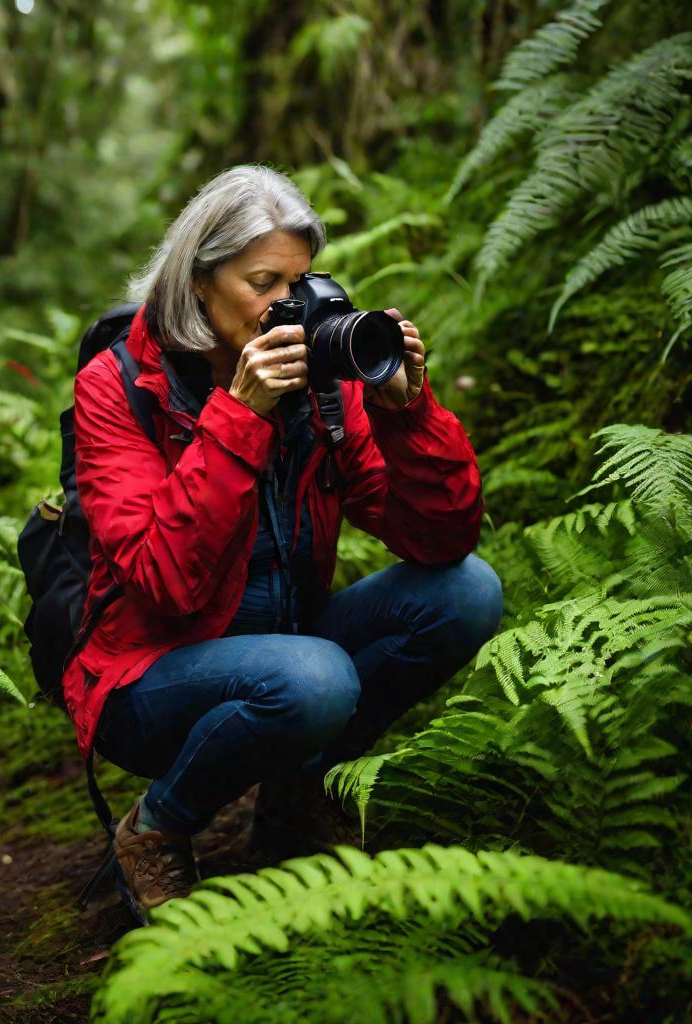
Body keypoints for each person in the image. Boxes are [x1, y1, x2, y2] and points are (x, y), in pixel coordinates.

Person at [64, 165, 502, 921]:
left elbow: (436, 538)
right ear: (199, 281)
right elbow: (166, 583)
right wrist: (241, 415)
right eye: (263, 282)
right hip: (149, 673)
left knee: (468, 591)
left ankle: (293, 797)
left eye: (299, 285)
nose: (286, 309)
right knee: (316, 677)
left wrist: (408, 413)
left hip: (286, 647)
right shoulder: (121, 385)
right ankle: (157, 828)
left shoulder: (322, 384)